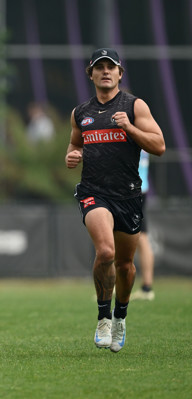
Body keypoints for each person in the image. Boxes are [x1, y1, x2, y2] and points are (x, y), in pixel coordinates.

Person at [65, 48, 164, 353]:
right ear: (90, 74)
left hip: (129, 194)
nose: (105, 71)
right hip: (94, 191)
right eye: (99, 67)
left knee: (124, 264)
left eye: (111, 67)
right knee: (105, 251)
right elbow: (74, 144)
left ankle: (120, 318)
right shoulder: (81, 112)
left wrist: (129, 127)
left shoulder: (134, 106)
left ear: (120, 73)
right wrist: (73, 155)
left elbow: (159, 146)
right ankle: (103, 317)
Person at [130, 150, 156, 300]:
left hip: (133, 189)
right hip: (140, 189)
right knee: (142, 236)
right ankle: (146, 288)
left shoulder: (134, 130)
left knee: (141, 237)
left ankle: (147, 287)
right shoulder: (145, 132)